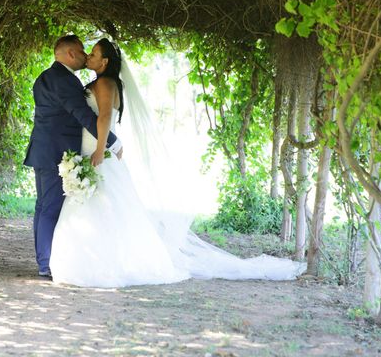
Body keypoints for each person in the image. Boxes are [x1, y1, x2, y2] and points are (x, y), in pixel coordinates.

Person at [49, 38, 306, 287]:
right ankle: (97, 258)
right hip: (92, 148)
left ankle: (102, 263)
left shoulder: (105, 84)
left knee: (101, 205)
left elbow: (104, 117)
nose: (89, 57)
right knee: (98, 206)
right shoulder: (105, 82)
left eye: (93, 53)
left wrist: (100, 150)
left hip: (97, 151)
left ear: (104, 61)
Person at [24, 34, 123, 279]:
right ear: (70, 54)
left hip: (41, 149)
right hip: (56, 153)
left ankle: (44, 260)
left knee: (42, 206)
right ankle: (45, 265)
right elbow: (85, 117)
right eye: (81, 52)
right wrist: (113, 142)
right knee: (50, 208)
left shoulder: (44, 78)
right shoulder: (66, 81)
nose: (84, 56)